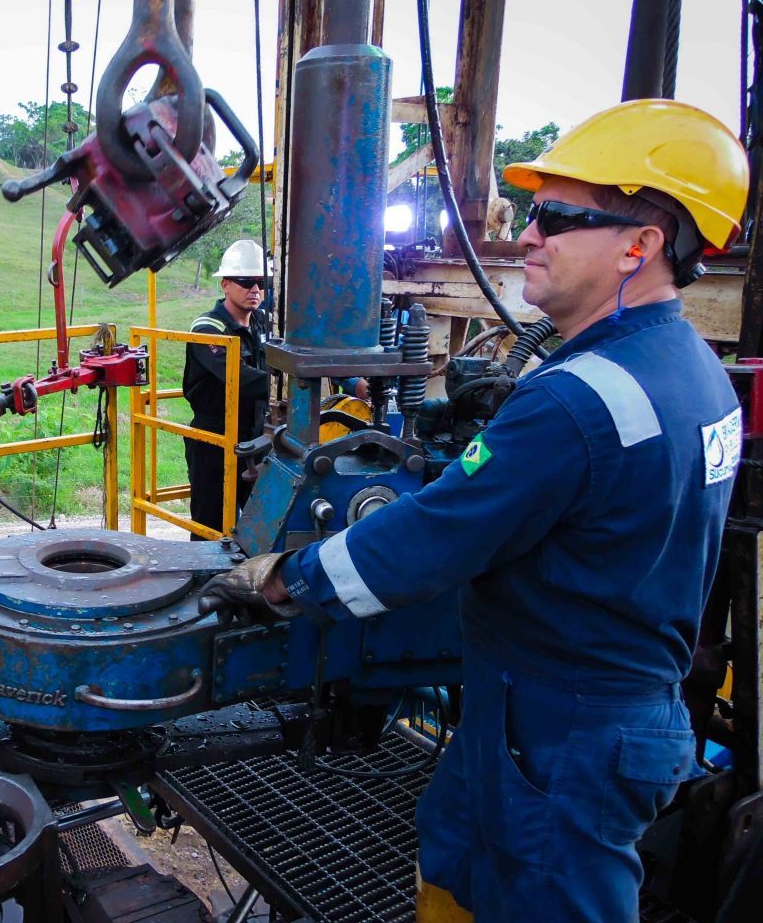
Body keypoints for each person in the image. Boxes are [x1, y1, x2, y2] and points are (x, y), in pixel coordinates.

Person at [199, 100, 749, 921]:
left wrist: (284, 579)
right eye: (532, 213)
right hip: (551, 709)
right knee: (455, 848)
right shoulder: (697, 371)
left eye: (557, 217)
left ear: (641, 245)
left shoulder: (579, 401)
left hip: (567, 733)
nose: (527, 235)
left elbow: (431, 536)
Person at [182, 239, 272, 538]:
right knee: (210, 524)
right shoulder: (207, 329)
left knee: (259, 523)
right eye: (246, 281)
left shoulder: (261, 323)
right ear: (225, 284)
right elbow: (239, 376)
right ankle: (204, 581)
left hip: (255, 438)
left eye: (260, 282)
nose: (255, 289)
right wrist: (288, 386)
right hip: (214, 439)